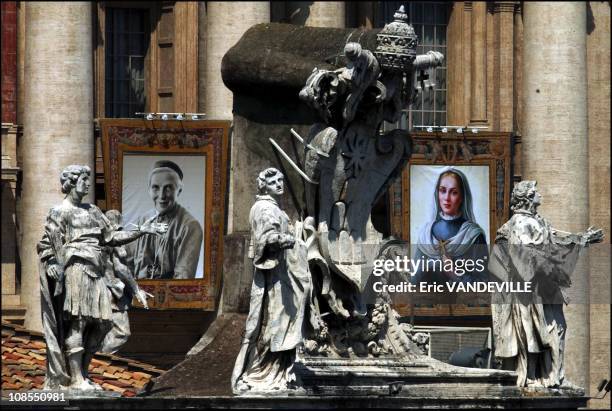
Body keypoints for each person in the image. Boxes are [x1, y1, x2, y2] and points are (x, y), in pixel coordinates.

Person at [37, 165, 166, 391]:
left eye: (88, 180)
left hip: (96, 274)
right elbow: (47, 243)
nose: (88, 184)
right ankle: (76, 379)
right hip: (76, 269)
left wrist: (142, 231)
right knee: (78, 323)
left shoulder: (94, 211)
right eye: (84, 180)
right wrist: (51, 263)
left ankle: (84, 374)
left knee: (103, 323)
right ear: (72, 182)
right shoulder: (59, 211)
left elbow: (111, 237)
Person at [489, 181, 603, 388]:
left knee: (556, 328)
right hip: (530, 291)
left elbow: (556, 241)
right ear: (528, 198)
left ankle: (555, 377)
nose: (540, 194)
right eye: (536, 192)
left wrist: (581, 239)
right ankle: (538, 378)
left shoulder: (537, 221)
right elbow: (525, 255)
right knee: (536, 333)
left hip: (544, 287)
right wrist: (551, 268)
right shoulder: (521, 223)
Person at [231, 168, 316, 393]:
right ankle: (261, 374)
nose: (279, 183)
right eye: (273, 181)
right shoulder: (264, 208)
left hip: (286, 276)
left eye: (281, 179)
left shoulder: (275, 209)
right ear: (263, 186)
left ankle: (281, 375)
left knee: (284, 324)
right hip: (276, 278)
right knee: (275, 325)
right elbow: (266, 238)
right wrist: (285, 240)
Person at [411, 167, 489, 286]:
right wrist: (428, 268)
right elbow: (413, 282)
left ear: (462, 197)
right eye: (442, 191)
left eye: (454, 192)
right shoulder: (426, 234)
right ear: (437, 193)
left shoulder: (473, 235)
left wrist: (454, 274)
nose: (446, 198)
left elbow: (485, 285)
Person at [130, 160, 204, 279]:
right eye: (155, 188)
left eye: (168, 188)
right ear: (149, 190)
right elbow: (126, 262)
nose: (162, 195)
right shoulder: (141, 221)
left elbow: (182, 278)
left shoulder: (190, 226)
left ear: (179, 190)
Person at [100, 210, 152, 354]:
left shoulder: (95, 239)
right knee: (121, 332)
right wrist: (136, 290)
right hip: (111, 293)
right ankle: (99, 361)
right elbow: (120, 268)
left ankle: (95, 362)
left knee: (101, 333)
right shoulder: (112, 240)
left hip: (98, 291)